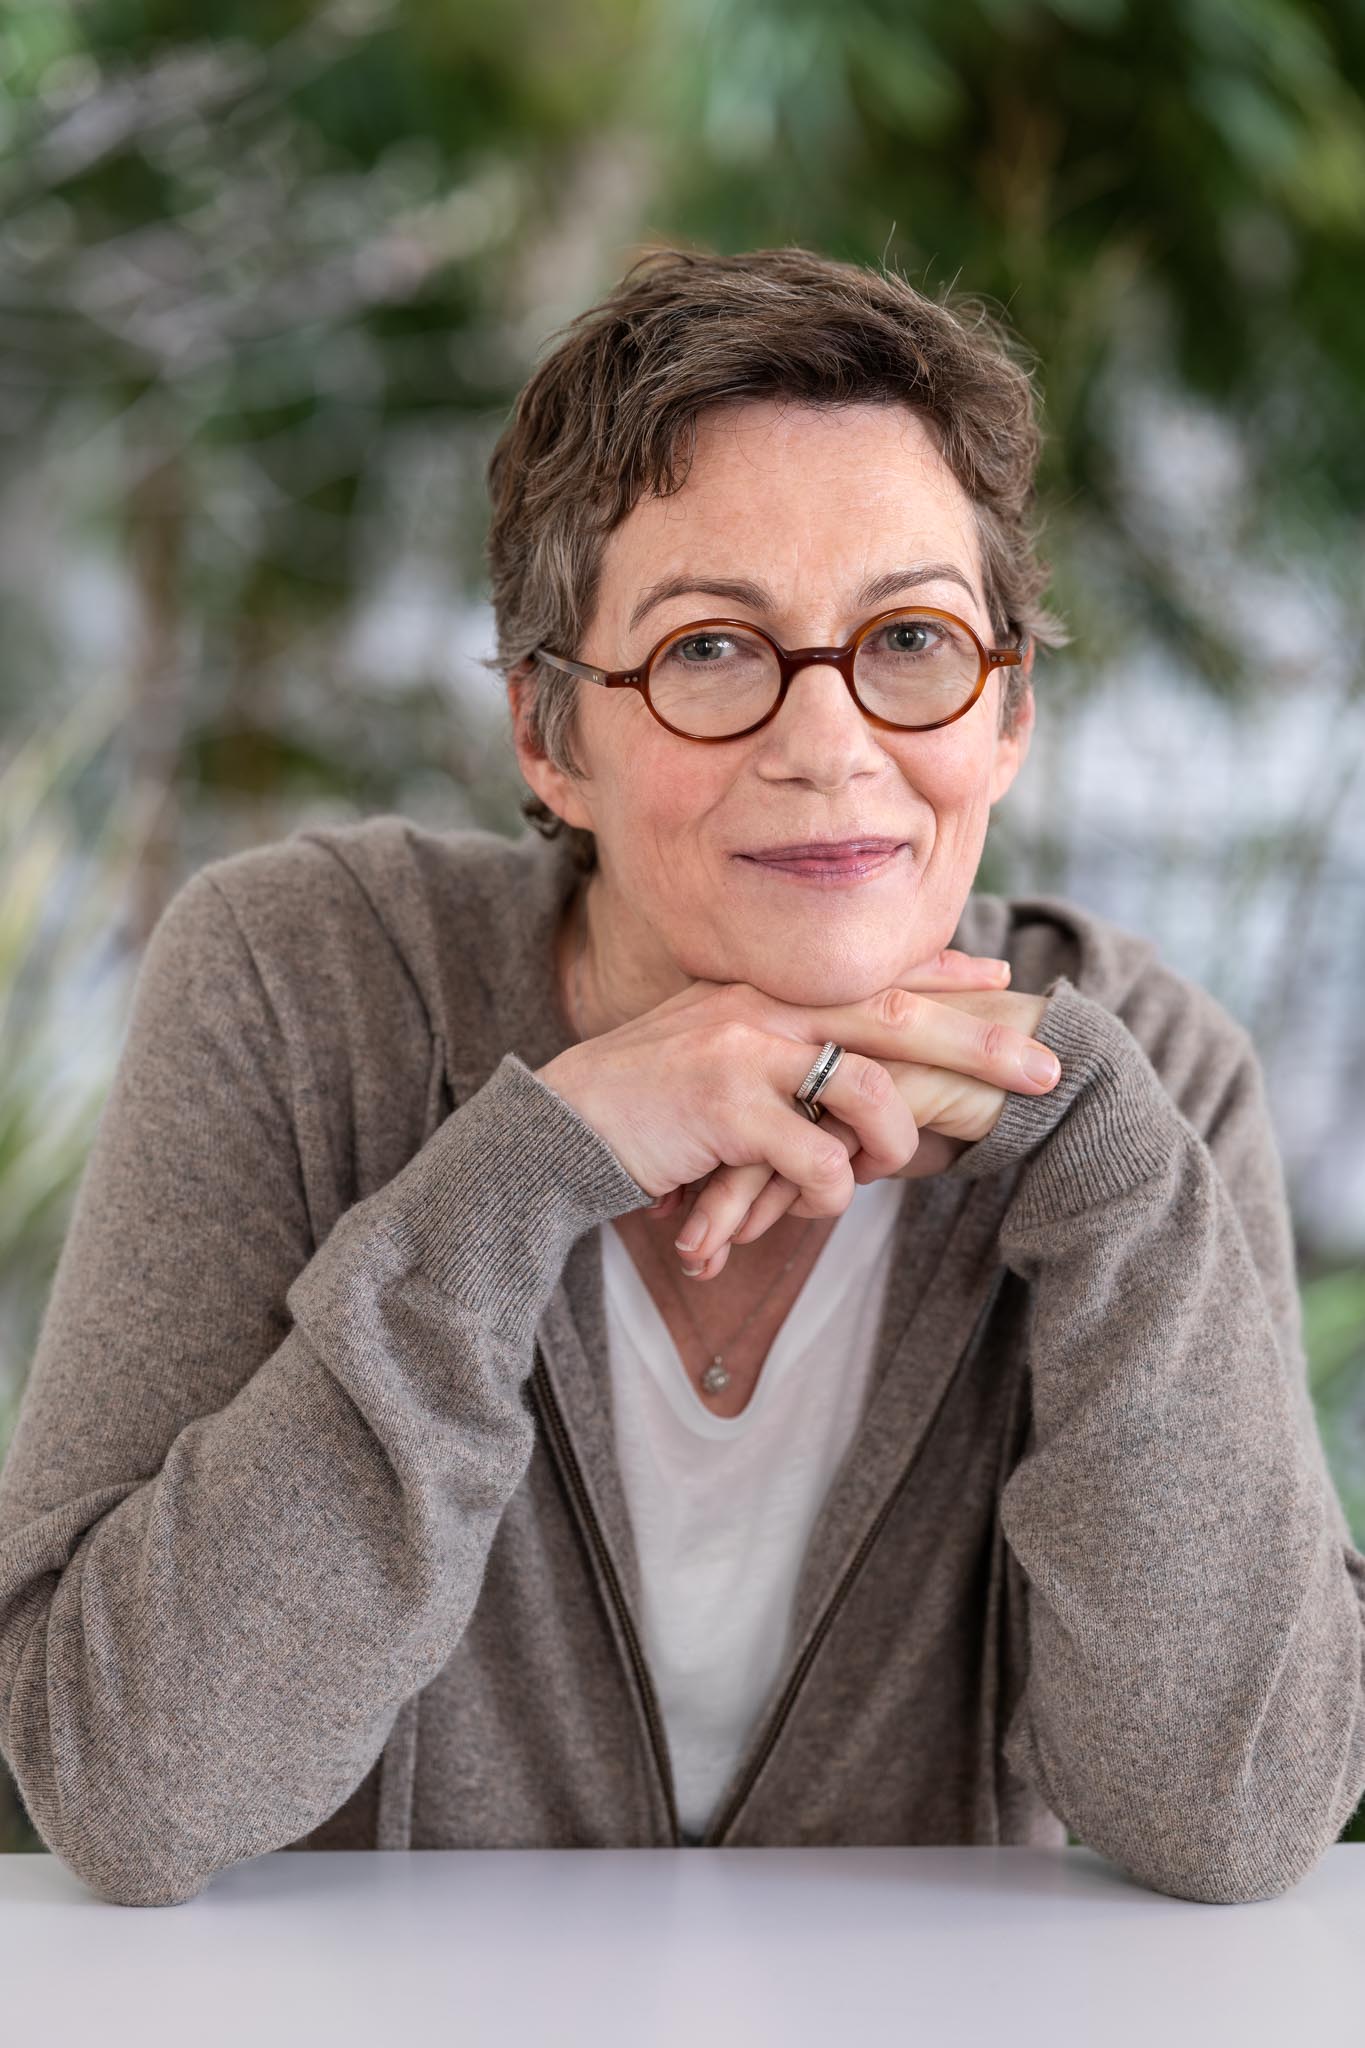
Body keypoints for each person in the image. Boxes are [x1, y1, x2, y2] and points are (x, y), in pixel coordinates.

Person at [1, 247, 1362, 1911]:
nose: (828, 744)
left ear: (1005, 713)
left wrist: (1101, 1164)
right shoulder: (298, 988)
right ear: (547, 732)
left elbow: (1230, 1819)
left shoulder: (1145, 1081)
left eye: (911, 637)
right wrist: (528, 1169)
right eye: (710, 648)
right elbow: (128, 1787)